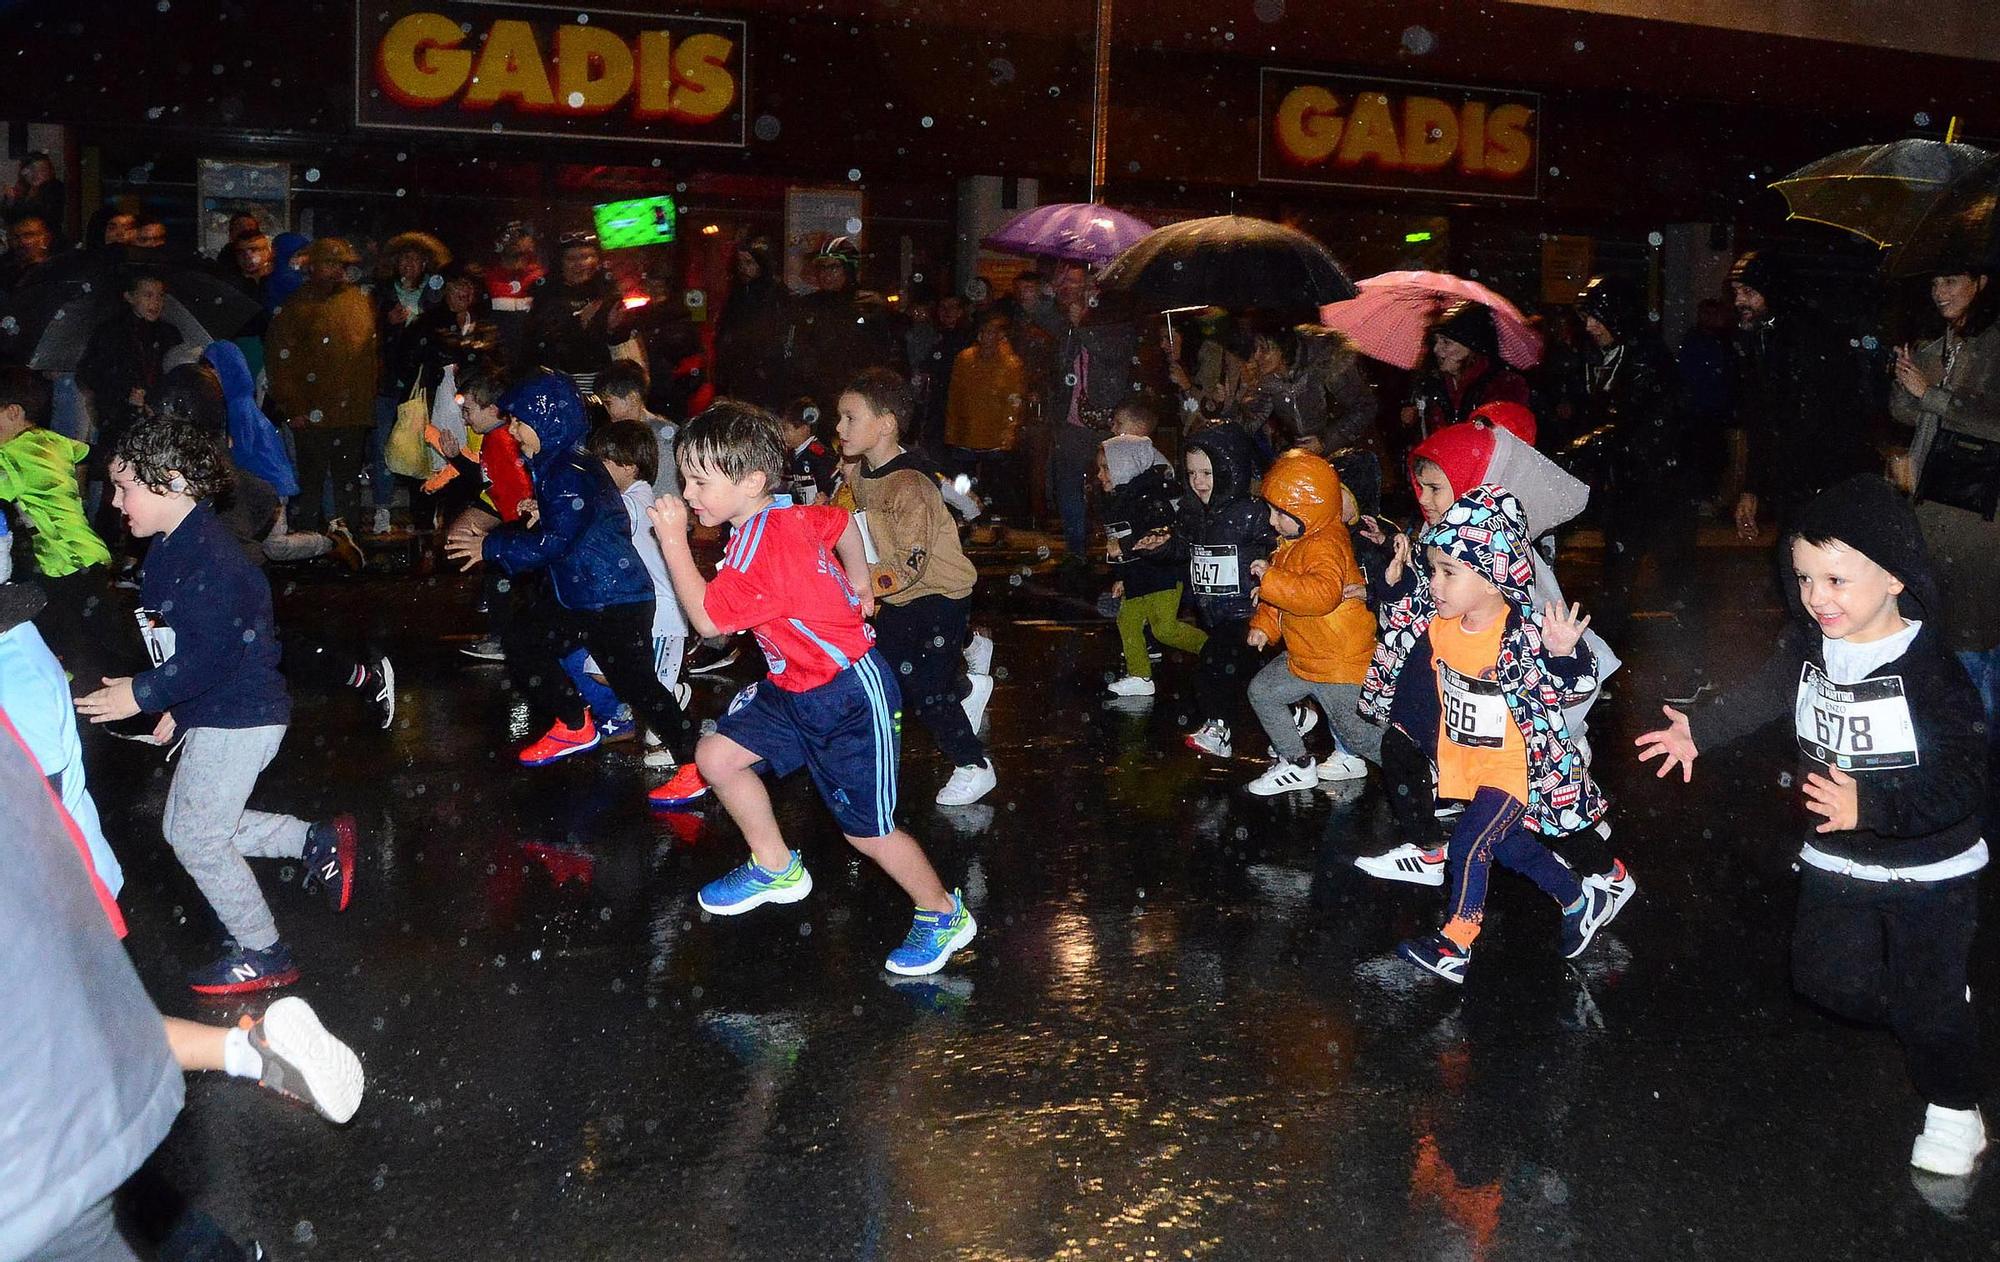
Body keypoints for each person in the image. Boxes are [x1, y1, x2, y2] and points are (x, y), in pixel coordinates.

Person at [1637, 474, 1989, 1178]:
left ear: (1894, 578)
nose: (1816, 597)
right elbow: (1768, 692)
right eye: (1803, 578)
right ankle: (1936, 1009)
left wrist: (1878, 807)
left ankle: (1956, 1106)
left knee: (1928, 1008)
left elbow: (1964, 778)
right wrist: (1701, 732)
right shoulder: (1811, 645)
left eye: (1835, 579)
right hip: (1837, 857)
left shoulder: (1931, 674)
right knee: (1825, 981)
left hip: (1929, 869)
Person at [645, 400, 979, 975]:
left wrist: (672, 539)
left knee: (869, 833)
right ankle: (775, 866)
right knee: (716, 758)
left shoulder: (759, 548)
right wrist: (858, 580)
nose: (689, 494)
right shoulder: (784, 512)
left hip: (848, 695)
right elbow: (842, 523)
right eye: (686, 479)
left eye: (701, 480)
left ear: (751, 481)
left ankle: (943, 911)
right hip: (792, 686)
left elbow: (707, 622)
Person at [72, 412, 359, 994]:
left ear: (173, 482)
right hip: (221, 710)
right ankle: (312, 840)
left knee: (199, 838)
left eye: (126, 487)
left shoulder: (209, 558)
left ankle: (264, 951)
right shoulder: (174, 547)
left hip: (241, 718)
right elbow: (193, 647)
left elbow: (216, 653)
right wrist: (177, 706)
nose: (115, 502)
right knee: (192, 826)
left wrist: (143, 693)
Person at [1352, 405, 1629, 893]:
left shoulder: (1500, 561)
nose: (1424, 498)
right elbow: (1421, 607)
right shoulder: (1437, 543)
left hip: (1498, 712)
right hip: (1444, 680)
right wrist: (1396, 586)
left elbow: (1552, 654)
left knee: (1546, 802)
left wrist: (1561, 661)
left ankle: (1603, 872)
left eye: (1437, 487)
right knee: (1407, 751)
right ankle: (1435, 850)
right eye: (1421, 486)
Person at [1361, 485, 1624, 983]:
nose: (1434, 584)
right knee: (1507, 847)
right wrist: (1392, 588)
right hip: (1470, 766)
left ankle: (1455, 942)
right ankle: (1577, 898)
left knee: (1468, 846)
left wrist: (1564, 654)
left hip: (1516, 767)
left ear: (1491, 577)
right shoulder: (1442, 624)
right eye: (1433, 570)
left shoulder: (1520, 633)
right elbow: (1398, 638)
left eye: (1448, 573)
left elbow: (1571, 685)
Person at [442, 373, 701, 806]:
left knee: (637, 685)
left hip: (614, 598)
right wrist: (540, 510)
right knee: (525, 641)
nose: (513, 431)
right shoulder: (563, 466)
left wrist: (490, 544)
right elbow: (577, 524)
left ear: (548, 422)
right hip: (584, 595)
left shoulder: (568, 470)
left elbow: (557, 541)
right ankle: (575, 724)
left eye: (520, 422)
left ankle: (695, 764)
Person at [837, 368, 997, 807]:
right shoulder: (865, 470)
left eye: (850, 418)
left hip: (938, 595)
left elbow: (911, 563)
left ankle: (974, 765)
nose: (838, 428)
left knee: (925, 689)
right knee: (889, 677)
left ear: (885, 424)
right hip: (902, 595)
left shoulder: (909, 485)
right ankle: (966, 690)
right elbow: (852, 512)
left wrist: (859, 585)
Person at [1574, 275, 1705, 702]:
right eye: (1587, 317)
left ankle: (1690, 671)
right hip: (1632, 487)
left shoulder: (1645, 358)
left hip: (1662, 488)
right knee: (1618, 580)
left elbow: (1644, 421)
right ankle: (1608, 669)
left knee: (1670, 581)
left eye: (1596, 316)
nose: (1590, 325)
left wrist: (1599, 440)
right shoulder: (1610, 357)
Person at [1889, 265, 2000, 716]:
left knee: (1973, 641)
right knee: (1931, 633)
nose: (1939, 292)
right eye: (1933, 282)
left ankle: (1981, 758)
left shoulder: (1994, 343)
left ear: (1982, 284)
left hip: (1976, 515)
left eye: (1951, 281)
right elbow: (1907, 414)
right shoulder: (1941, 345)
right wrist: (1904, 377)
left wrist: (1931, 393)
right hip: (1928, 509)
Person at [1240, 450, 1382, 794]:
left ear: (1306, 508)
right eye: (1271, 511)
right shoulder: (1293, 542)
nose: (1273, 521)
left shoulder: (1326, 544)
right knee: (1263, 691)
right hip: (1306, 656)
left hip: (1337, 662)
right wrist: (1265, 625)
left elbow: (1321, 595)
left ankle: (1421, 774)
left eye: (1280, 513)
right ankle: (1297, 763)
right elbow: (1284, 597)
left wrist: (1271, 581)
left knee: (1359, 735)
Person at [1727, 249, 1868, 540]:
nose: (1740, 301)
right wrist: (1754, 487)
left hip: (1822, 482)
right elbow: (1762, 418)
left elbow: (1824, 416)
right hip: (1794, 484)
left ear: (1771, 290)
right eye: (1736, 292)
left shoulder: (1809, 336)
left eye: (1749, 291)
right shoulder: (1762, 335)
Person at [579, 419, 694, 759]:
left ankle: (676, 741)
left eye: (604, 462)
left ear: (629, 467)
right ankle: (664, 707)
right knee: (610, 674)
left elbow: (608, 517)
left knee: (646, 687)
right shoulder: (626, 497)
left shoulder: (638, 499)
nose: (597, 470)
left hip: (662, 615)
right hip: (643, 610)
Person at [0, 365, 115, 680]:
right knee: (97, 638)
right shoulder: (55, 441)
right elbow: (92, 452)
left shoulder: (11, 456)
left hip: (62, 561)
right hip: (90, 551)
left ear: (13, 412)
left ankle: (74, 700)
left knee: (62, 642)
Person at [265, 237, 379, 540]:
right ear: (313, 266)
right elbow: (280, 361)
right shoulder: (297, 305)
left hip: (350, 412)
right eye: (327, 263)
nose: (333, 269)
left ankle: (347, 543)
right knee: (311, 483)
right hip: (312, 411)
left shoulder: (357, 300)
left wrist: (363, 405)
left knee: (346, 484)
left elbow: (366, 356)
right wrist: (294, 407)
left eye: (337, 264)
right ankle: (308, 543)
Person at [1179, 422, 1274, 757]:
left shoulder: (1250, 511)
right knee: (1251, 677)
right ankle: (1294, 715)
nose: (1198, 482)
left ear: (1229, 469)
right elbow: (1185, 552)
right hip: (1217, 613)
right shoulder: (1198, 514)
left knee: (1212, 666)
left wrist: (1269, 580)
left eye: (1207, 472)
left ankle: (1219, 729)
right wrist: (1159, 545)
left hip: (1246, 611)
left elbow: (1277, 544)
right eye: (1191, 473)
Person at [1045, 261, 1139, 562]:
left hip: (1105, 421)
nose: (1072, 289)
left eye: (1078, 283)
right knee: (1068, 486)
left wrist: (1083, 326)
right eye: (1067, 283)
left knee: (1113, 490)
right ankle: (1077, 552)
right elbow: (1059, 362)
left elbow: (1115, 355)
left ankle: (1120, 550)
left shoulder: (1115, 319)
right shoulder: (1067, 321)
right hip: (1071, 422)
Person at [1101, 424, 1203, 698]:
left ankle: (1213, 651)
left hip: (1163, 575)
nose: (1100, 475)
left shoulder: (1150, 499)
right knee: (1127, 621)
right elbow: (1123, 538)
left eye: (1106, 468)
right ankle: (1139, 676)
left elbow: (1154, 538)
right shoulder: (1116, 501)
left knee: (1165, 628)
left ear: (1124, 465)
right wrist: (1121, 575)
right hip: (1137, 576)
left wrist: (1121, 548)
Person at [369, 235, 445, 535]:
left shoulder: (434, 293)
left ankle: (425, 512)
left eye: (414, 259)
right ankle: (382, 508)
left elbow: (441, 326)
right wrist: (387, 322)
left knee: (425, 445)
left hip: (424, 382)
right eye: (403, 259)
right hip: (389, 380)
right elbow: (368, 334)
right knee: (384, 445)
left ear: (424, 264)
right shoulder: (382, 294)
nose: (408, 265)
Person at [946, 310, 1028, 525]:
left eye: (994, 333)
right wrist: (953, 431)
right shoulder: (965, 359)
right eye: (985, 332)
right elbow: (956, 397)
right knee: (964, 484)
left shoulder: (1010, 364)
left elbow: (1014, 401)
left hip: (996, 437)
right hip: (967, 433)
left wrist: (1009, 434)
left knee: (996, 485)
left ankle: (996, 522)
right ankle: (966, 520)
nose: (989, 337)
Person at [1404, 302, 1531, 440]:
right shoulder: (1432, 384)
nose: (1437, 349)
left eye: (1446, 342)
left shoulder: (1504, 386)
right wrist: (1415, 420)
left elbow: (1503, 438)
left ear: (1471, 348)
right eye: (1436, 341)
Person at [524, 231, 628, 396]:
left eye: (587, 257)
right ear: (560, 262)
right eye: (572, 259)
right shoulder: (546, 292)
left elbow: (620, 342)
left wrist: (613, 329)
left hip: (603, 380)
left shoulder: (607, 289)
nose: (581, 264)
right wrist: (579, 323)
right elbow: (540, 341)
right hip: (559, 383)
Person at [711, 234, 788, 409]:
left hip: (765, 382)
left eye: (749, 263)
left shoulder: (775, 295)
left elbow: (779, 339)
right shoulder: (737, 295)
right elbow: (724, 338)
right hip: (738, 379)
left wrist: (766, 369)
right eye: (740, 263)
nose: (744, 269)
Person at [597, 360, 678, 496]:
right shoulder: (622, 432)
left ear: (633, 398)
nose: (606, 411)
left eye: (608, 403)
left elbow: (665, 491)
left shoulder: (662, 438)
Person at [486, 220, 544, 367]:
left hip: (535, 362)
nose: (514, 239)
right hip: (496, 365)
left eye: (520, 234)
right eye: (507, 235)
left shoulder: (541, 278)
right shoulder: (486, 278)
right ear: (497, 243)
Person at [779, 396, 836, 503]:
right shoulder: (792, 455)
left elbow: (830, 488)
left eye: (786, 429)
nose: (783, 435)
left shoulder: (819, 455)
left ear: (803, 429)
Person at [4, 151, 63, 235]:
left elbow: (48, 215)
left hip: (46, 239)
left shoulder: (55, 188)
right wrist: (10, 200)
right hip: (22, 238)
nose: (36, 174)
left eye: (42, 170)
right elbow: (10, 218)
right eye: (32, 169)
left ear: (50, 171)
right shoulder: (22, 189)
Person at [0, 212, 52, 292]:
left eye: (29, 235)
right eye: (16, 237)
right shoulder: (5, 271)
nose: (22, 242)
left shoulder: (57, 271)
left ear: (46, 239)